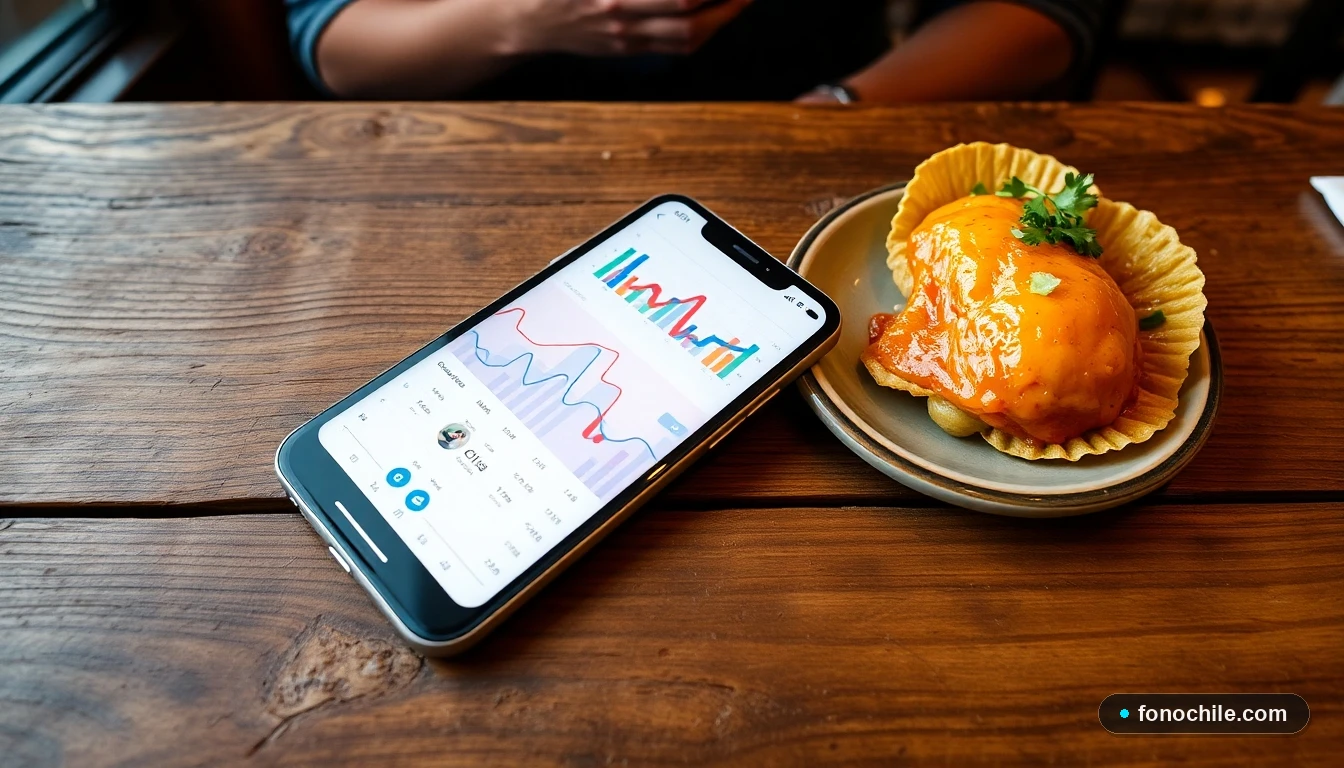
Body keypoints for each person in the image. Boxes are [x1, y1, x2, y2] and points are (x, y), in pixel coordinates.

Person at [286, 0, 1103, 102]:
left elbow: (1044, 16)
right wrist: (522, 19)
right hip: (504, 148)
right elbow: (333, 45)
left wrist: (843, 105)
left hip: (821, 116)